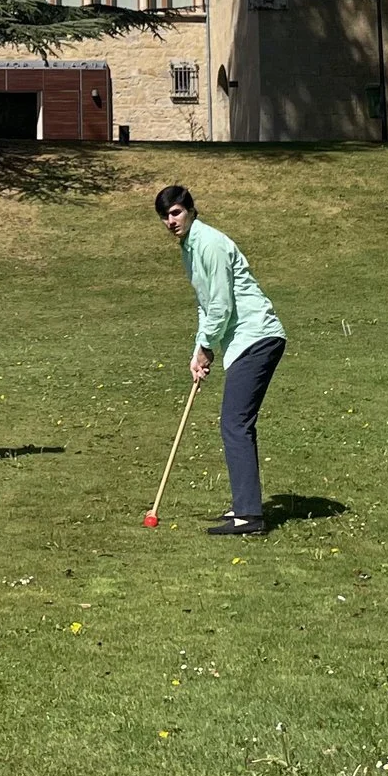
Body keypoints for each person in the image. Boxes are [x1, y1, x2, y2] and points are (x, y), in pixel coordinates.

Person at [154, 183, 285, 536]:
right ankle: (245, 508)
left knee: (234, 422)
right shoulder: (190, 249)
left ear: (191, 210)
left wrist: (208, 347)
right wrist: (200, 350)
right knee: (236, 422)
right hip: (245, 338)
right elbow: (207, 304)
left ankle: (250, 517)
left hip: (256, 335)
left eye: (176, 212)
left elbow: (223, 306)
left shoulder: (208, 243)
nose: (170, 221)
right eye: (164, 216)